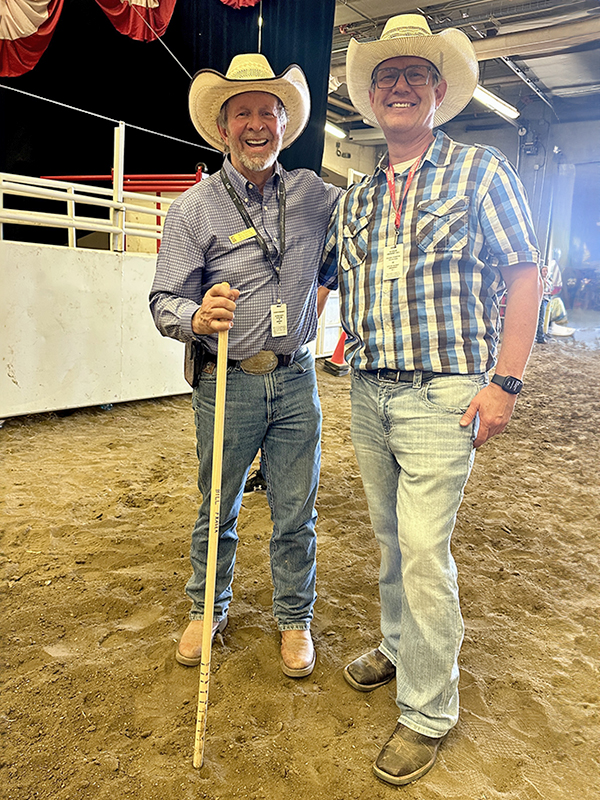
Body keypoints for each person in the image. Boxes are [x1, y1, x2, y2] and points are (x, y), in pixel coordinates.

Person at [321, 14, 542, 786]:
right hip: (370, 390)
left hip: (445, 390)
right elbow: (325, 280)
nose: (401, 86)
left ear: (439, 92)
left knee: (421, 547)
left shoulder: (481, 172)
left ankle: (428, 709)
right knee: (392, 537)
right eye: (388, 76)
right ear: (371, 95)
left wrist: (505, 381)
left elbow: (523, 275)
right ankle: (398, 645)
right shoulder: (355, 197)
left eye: (415, 75)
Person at [150, 53, 341, 678]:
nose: (256, 124)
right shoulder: (192, 209)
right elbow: (163, 300)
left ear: (285, 124)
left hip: (296, 378)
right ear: (223, 128)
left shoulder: (317, 197)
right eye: (243, 114)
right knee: (218, 505)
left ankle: (295, 618)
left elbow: (355, 245)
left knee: (297, 508)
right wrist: (197, 316)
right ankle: (207, 607)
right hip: (226, 381)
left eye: (268, 112)